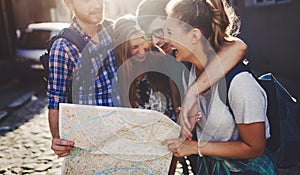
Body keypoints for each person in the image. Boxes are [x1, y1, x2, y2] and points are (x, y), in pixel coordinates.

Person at [162, 0, 278, 174]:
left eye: (170, 32)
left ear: (195, 36)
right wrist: (188, 125)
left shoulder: (240, 83)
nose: (165, 38)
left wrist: (195, 147)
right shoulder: (191, 74)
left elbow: (255, 148)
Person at [136, 0, 247, 174]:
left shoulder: (201, 53)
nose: (157, 41)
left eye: (160, 31)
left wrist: (193, 92)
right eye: (150, 35)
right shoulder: (173, 56)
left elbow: (238, 46)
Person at [47, 0, 117, 157]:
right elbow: (56, 101)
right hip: (91, 142)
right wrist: (57, 139)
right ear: (69, 4)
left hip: (120, 135)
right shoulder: (63, 47)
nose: (97, 5)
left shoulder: (112, 30)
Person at [113, 14, 178, 122]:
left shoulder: (161, 61)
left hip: (168, 131)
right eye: (134, 47)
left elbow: (175, 104)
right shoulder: (120, 76)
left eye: (143, 43)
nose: (142, 51)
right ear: (124, 50)